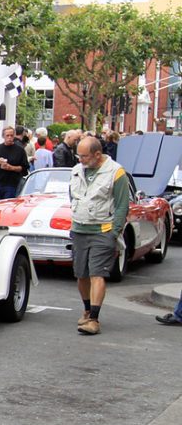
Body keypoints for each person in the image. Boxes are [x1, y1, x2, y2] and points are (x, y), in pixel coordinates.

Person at [70, 135, 130, 336]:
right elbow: (73, 196)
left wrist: (115, 231)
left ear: (97, 154)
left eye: (85, 156)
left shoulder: (116, 172)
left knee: (97, 274)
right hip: (79, 229)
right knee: (81, 274)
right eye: (79, 155)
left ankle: (94, 318)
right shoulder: (77, 170)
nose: (81, 160)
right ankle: (87, 310)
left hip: (102, 230)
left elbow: (122, 204)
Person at [0, 126, 30, 201]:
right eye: (7, 135)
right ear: (3, 136)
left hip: (12, 184)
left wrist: (11, 167)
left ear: (14, 136)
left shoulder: (20, 150)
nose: (9, 137)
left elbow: (24, 168)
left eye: (11, 135)